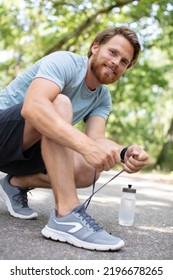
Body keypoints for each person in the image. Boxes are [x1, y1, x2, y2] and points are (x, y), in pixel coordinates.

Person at [0, 26, 148, 251]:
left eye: (125, 61)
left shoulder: (102, 98)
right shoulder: (66, 62)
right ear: (95, 47)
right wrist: (85, 146)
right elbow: (33, 107)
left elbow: (96, 139)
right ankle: (66, 214)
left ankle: (14, 183)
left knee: (91, 169)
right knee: (60, 103)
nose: (117, 62)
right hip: (4, 133)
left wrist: (124, 152)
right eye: (113, 52)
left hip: (25, 152)